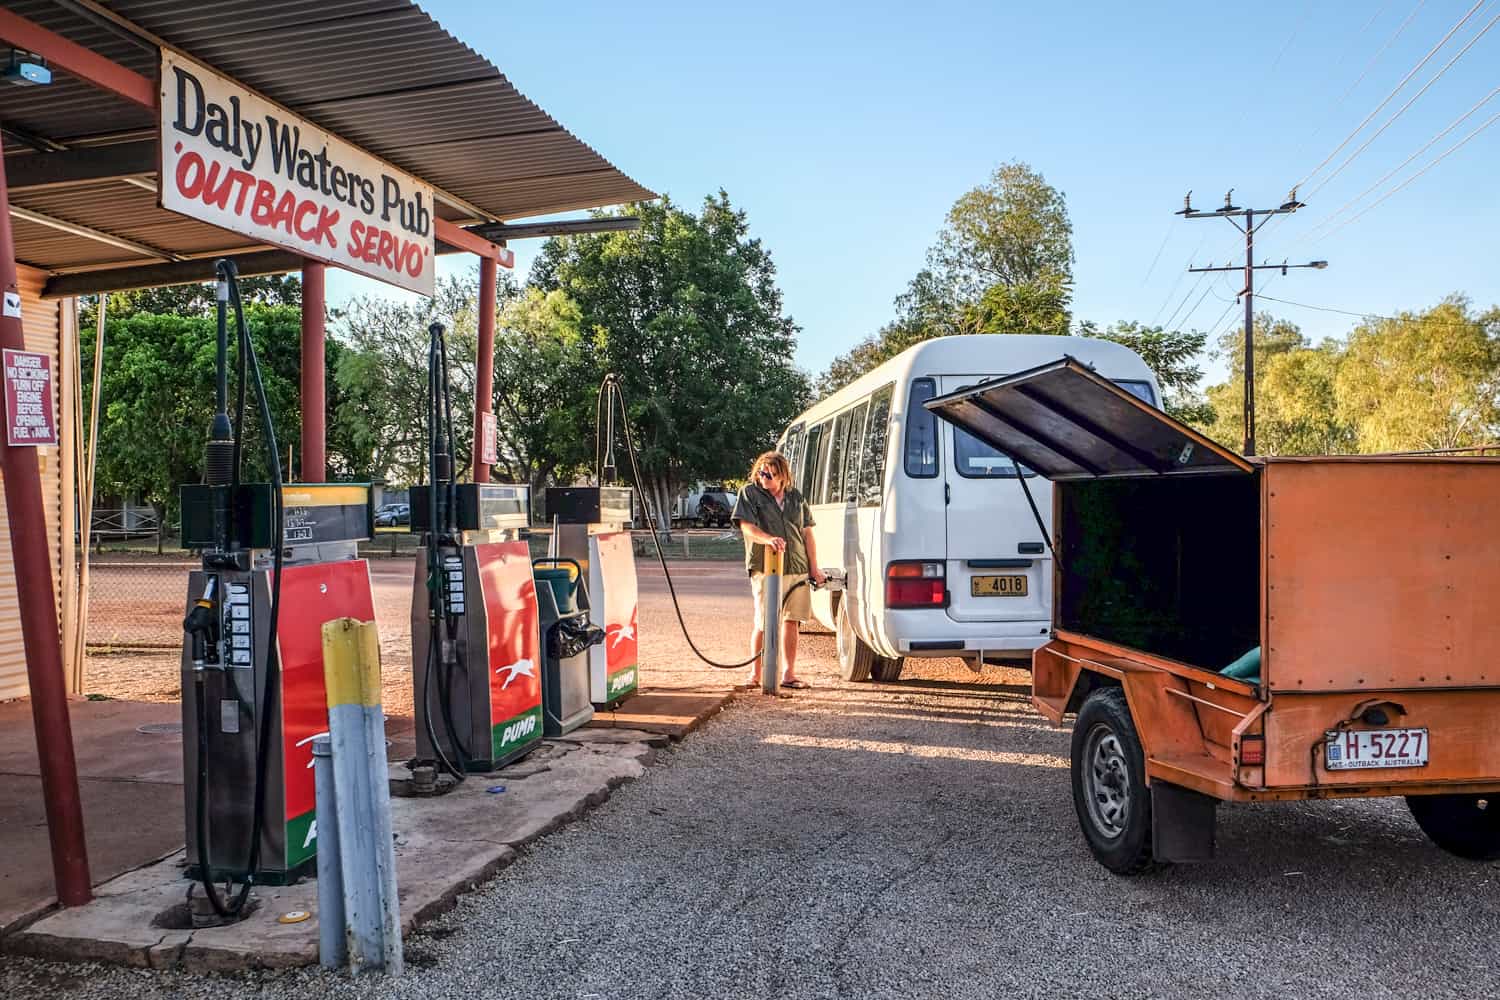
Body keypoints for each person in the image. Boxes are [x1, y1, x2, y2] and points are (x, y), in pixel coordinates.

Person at [731, 451, 825, 689]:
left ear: (782, 475)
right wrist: (768, 539)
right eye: (762, 473)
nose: (765, 478)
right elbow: (746, 527)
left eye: (771, 474)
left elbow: (807, 532)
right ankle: (755, 675)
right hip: (765, 567)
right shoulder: (750, 493)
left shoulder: (795, 497)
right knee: (764, 621)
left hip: (796, 565)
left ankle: (789, 674)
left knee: (792, 620)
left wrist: (814, 567)